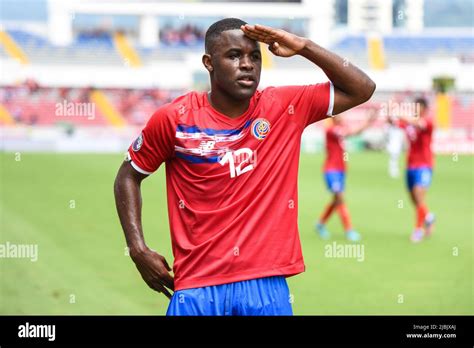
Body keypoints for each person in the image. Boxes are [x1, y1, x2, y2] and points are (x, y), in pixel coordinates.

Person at [114, 18, 375, 316]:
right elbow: (128, 176)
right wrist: (137, 248)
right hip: (197, 288)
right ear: (209, 63)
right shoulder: (175, 119)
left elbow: (362, 88)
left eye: (254, 56)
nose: (247, 64)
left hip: (266, 288)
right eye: (234, 55)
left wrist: (304, 46)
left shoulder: (284, 107)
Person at [316, 110, 376, 242]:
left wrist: (369, 122)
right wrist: (367, 121)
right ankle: (349, 230)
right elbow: (352, 132)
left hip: (340, 170)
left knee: (336, 200)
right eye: (338, 114)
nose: (341, 116)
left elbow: (355, 132)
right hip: (332, 171)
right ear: (333, 118)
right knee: (340, 198)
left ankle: (320, 224)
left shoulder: (339, 130)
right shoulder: (331, 130)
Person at [389, 97, 435, 243]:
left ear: (424, 109)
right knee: (414, 199)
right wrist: (390, 112)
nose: (416, 109)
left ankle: (418, 230)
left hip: (424, 165)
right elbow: (394, 123)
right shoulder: (409, 123)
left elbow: (416, 123)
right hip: (410, 165)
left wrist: (398, 111)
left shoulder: (427, 122)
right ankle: (428, 217)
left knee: (418, 194)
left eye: (419, 107)